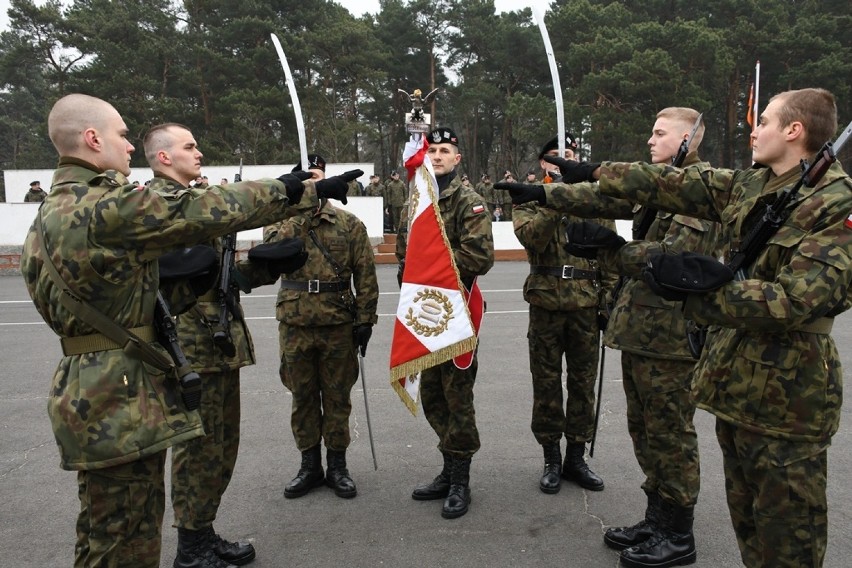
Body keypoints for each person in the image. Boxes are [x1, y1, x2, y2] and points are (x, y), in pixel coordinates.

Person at [20, 93, 351, 568]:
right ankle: (193, 547)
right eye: (120, 135)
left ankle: (198, 537)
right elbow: (209, 207)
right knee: (126, 542)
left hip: (93, 384)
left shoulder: (50, 214)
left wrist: (198, 284)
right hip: (118, 391)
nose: (128, 146)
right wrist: (293, 189)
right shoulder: (100, 206)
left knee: (106, 533)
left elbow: (117, 304)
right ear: (92, 139)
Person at [531, 88, 850, 568]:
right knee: (749, 522)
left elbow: (797, 300)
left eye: (763, 120)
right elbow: (673, 185)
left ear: (794, 130)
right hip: (736, 377)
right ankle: (662, 520)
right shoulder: (758, 184)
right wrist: (592, 172)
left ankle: (674, 531)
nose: (752, 128)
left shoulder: (834, 203)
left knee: (788, 535)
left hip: (790, 394)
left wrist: (697, 291)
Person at [143, 123, 309, 568]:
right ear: (163, 157)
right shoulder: (160, 203)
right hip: (188, 348)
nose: (199, 153)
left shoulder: (191, 200)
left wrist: (259, 270)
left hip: (218, 343)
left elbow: (217, 283)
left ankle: (204, 530)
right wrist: (290, 191)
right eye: (189, 146)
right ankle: (190, 550)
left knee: (220, 447)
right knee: (198, 452)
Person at [263, 153, 379, 501]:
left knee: (337, 397)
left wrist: (365, 320)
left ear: (326, 178)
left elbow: (367, 277)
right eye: (304, 178)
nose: (311, 182)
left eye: (316, 176)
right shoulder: (279, 221)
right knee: (302, 398)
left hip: (337, 323)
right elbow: (271, 251)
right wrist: (293, 202)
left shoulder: (349, 224)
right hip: (296, 323)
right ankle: (309, 465)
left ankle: (338, 466)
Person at [396, 127, 494, 519]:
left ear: (457, 159)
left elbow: (480, 257)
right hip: (424, 314)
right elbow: (405, 255)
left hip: (456, 314)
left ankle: (460, 480)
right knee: (433, 395)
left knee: (457, 397)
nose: (435, 156)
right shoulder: (417, 199)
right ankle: (448, 466)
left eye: (444, 151)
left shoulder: (468, 200)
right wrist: (411, 276)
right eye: (431, 150)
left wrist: (431, 266)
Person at [513, 131, 616, 498]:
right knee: (546, 384)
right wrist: (557, 199)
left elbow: (611, 254)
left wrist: (609, 302)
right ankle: (551, 459)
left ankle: (576, 456)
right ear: (543, 163)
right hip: (546, 305)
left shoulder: (596, 198)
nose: (560, 160)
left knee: (583, 385)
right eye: (553, 155)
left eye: (568, 154)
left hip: (586, 306)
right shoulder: (527, 200)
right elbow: (532, 239)